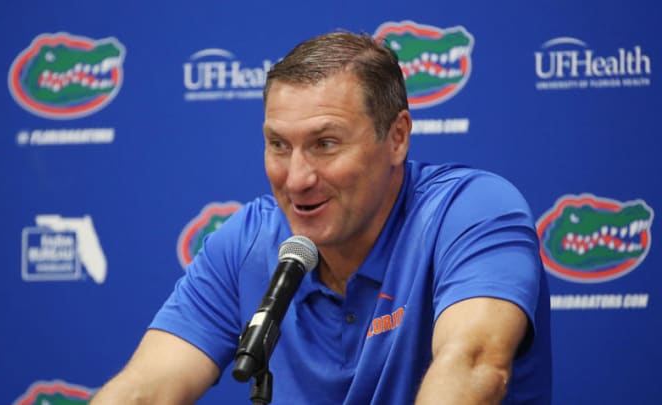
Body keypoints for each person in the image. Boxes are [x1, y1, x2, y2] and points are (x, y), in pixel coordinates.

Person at [91, 31, 552, 404]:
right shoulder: (246, 243)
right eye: (278, 145)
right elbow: (143, 392)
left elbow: (472, 367)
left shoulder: (470, 211)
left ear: (396, 138)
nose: (296, 180)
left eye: (325, 144)